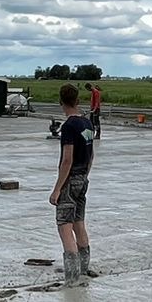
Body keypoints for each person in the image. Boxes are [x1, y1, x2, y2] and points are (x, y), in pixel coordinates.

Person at [49, 83, 97, 284]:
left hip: (70, 180)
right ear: (78, 101)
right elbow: (91, 155)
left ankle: (72, 276)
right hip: (83, 178)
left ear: (61, 102)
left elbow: (67, 160)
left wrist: (57, 189)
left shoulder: (69, 126)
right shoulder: (87, 124)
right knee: (79, 223)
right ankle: (84, 268)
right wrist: (85, 175)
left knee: (64, 226)